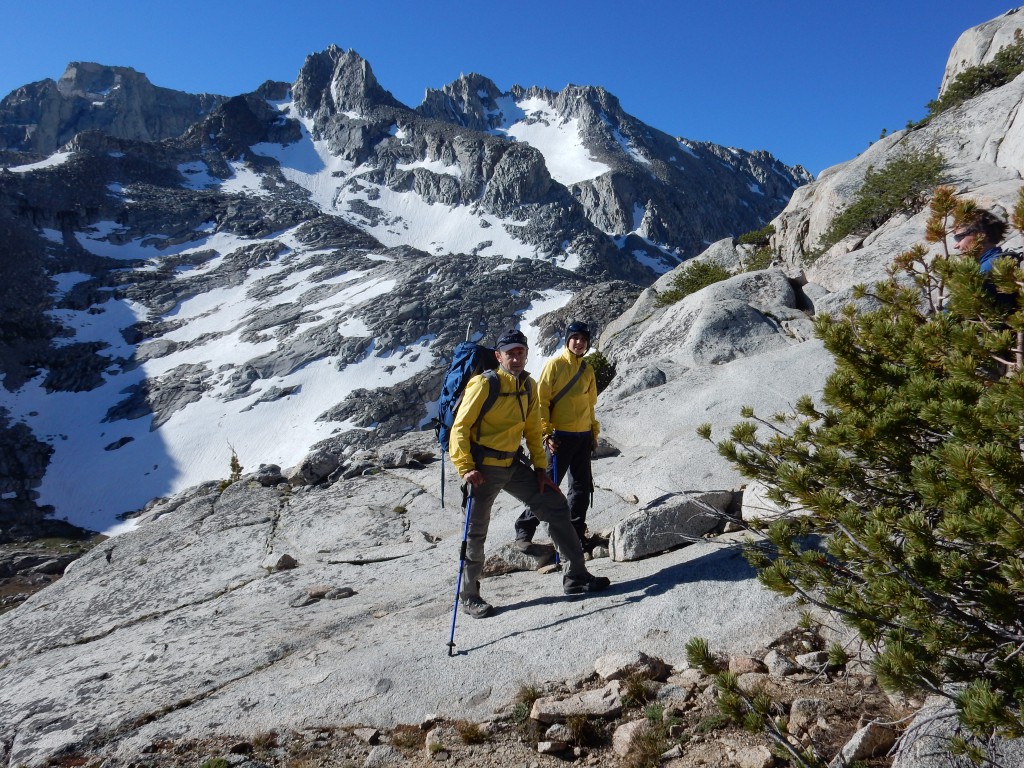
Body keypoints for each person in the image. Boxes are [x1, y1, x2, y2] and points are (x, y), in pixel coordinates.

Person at [448, 328, 610, 618]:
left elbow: (533, 431)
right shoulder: (484, 385)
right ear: (498, 356)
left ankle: (576, 577)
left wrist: (540, 469)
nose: (516, 357)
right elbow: (460, 428)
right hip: (483, 469)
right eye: (510, 353)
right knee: (475, 532)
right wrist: (466, 467)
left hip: (512, 464)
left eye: (521, 352)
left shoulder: (527, 385)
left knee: (556, 505)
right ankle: (469, 596)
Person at [514, 321, 600, 550]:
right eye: (576, 338)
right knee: (547, 486)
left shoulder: (587, 369)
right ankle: (524, 531)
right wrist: (546, 433)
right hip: (559, 437)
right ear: (567, 339)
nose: (580, 343)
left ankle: (575, 534)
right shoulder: (555, 365)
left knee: (581, 488)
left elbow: (590, 405)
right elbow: (541, 402)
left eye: (584, 339)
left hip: (582, 436)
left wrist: (593, 432)